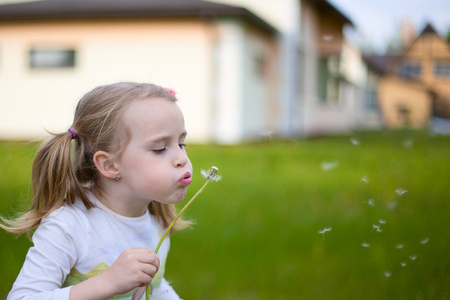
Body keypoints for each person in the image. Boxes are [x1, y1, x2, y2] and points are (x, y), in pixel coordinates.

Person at [0, 82, 193, 299]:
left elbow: (154, 286)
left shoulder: (155, 219)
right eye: (159, 149)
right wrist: (109, 282)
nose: (182, 159)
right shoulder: (69, 226)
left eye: (181, 144)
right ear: (110, 165)